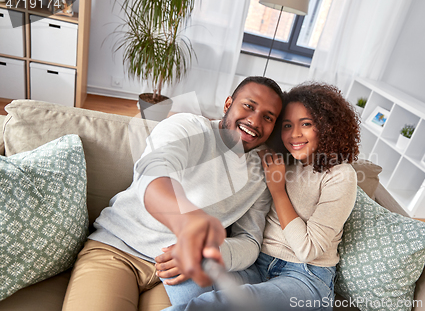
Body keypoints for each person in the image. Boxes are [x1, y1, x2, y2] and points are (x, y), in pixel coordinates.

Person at [61, 76, 283, 311]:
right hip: (118, 250)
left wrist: (207, 254)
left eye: (268, 117)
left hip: (178, 275)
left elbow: (249, 241)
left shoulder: (263, 171)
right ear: (228, 104)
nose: (255, 120)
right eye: (249, 106)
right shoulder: (187, 127)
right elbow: (153, 175)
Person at [156, 82, 361, 310]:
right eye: (286, 125)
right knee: (184, 270)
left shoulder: (341, 175)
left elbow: (307, 250)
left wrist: (277, 190)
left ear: (326, 126)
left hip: (305, 277)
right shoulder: (277, 159)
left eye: (305, 124)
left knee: (216, 305)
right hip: (257, 267)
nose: (294, 135)